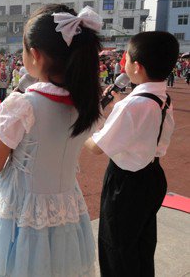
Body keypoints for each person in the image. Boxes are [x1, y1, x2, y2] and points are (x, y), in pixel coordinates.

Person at [0, 4, 101, 276]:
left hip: (21, 211)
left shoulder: (23, 105)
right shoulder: (86, 102)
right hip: (65, 208)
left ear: (35, 55)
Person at [85, 31, 179, 277]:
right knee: (142, 245)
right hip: (152, 175)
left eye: (125, 58)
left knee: (116, 249)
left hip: (126, 183)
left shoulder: (132, 105)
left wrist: (88, 121)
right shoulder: (163, 98)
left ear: (136, 67)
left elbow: (96, 147)